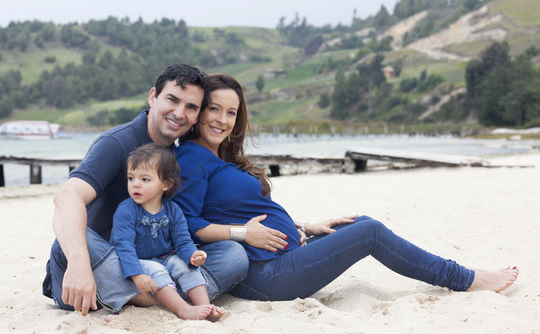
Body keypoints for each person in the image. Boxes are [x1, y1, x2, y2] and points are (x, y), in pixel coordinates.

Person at [174, 73, 519, 302]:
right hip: (265, 275)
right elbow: (186, 226)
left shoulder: (218, 157)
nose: (222, 119)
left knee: (357, 221)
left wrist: (303, 227)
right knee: (369, 232)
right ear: (198, 112)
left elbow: (241, 210)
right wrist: (243, 235)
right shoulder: (191, 157)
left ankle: (461, 275)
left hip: (282, 255)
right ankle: (463, 278)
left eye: (231, 113)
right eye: (214, 109)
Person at [43, 64, 248, 317]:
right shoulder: (118, 142)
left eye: (191, 107)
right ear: (153, 96)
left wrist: (279, 226)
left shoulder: (177, 155)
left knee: (234, 254)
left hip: (155, 262)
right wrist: (78, 262)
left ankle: (150, 294)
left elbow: (195, 218)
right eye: (172, 100)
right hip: (98, 264)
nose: (179, 113)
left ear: (196, 116)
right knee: (72, 240)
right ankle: (148, 296)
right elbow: (67, 197)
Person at [110, 143, 224, 320]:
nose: (135, 185)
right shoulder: (126, 210)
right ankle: (182, 309)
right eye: (131, 178)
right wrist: (137, 274)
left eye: (145, 179)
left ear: (165, 184)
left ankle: (204, 306)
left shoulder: (173, 210)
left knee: (185, 266)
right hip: (136, 261)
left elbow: (183, 241)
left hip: (164, 257)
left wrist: (192, 256)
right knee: (157, 270)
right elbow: (123, 247)